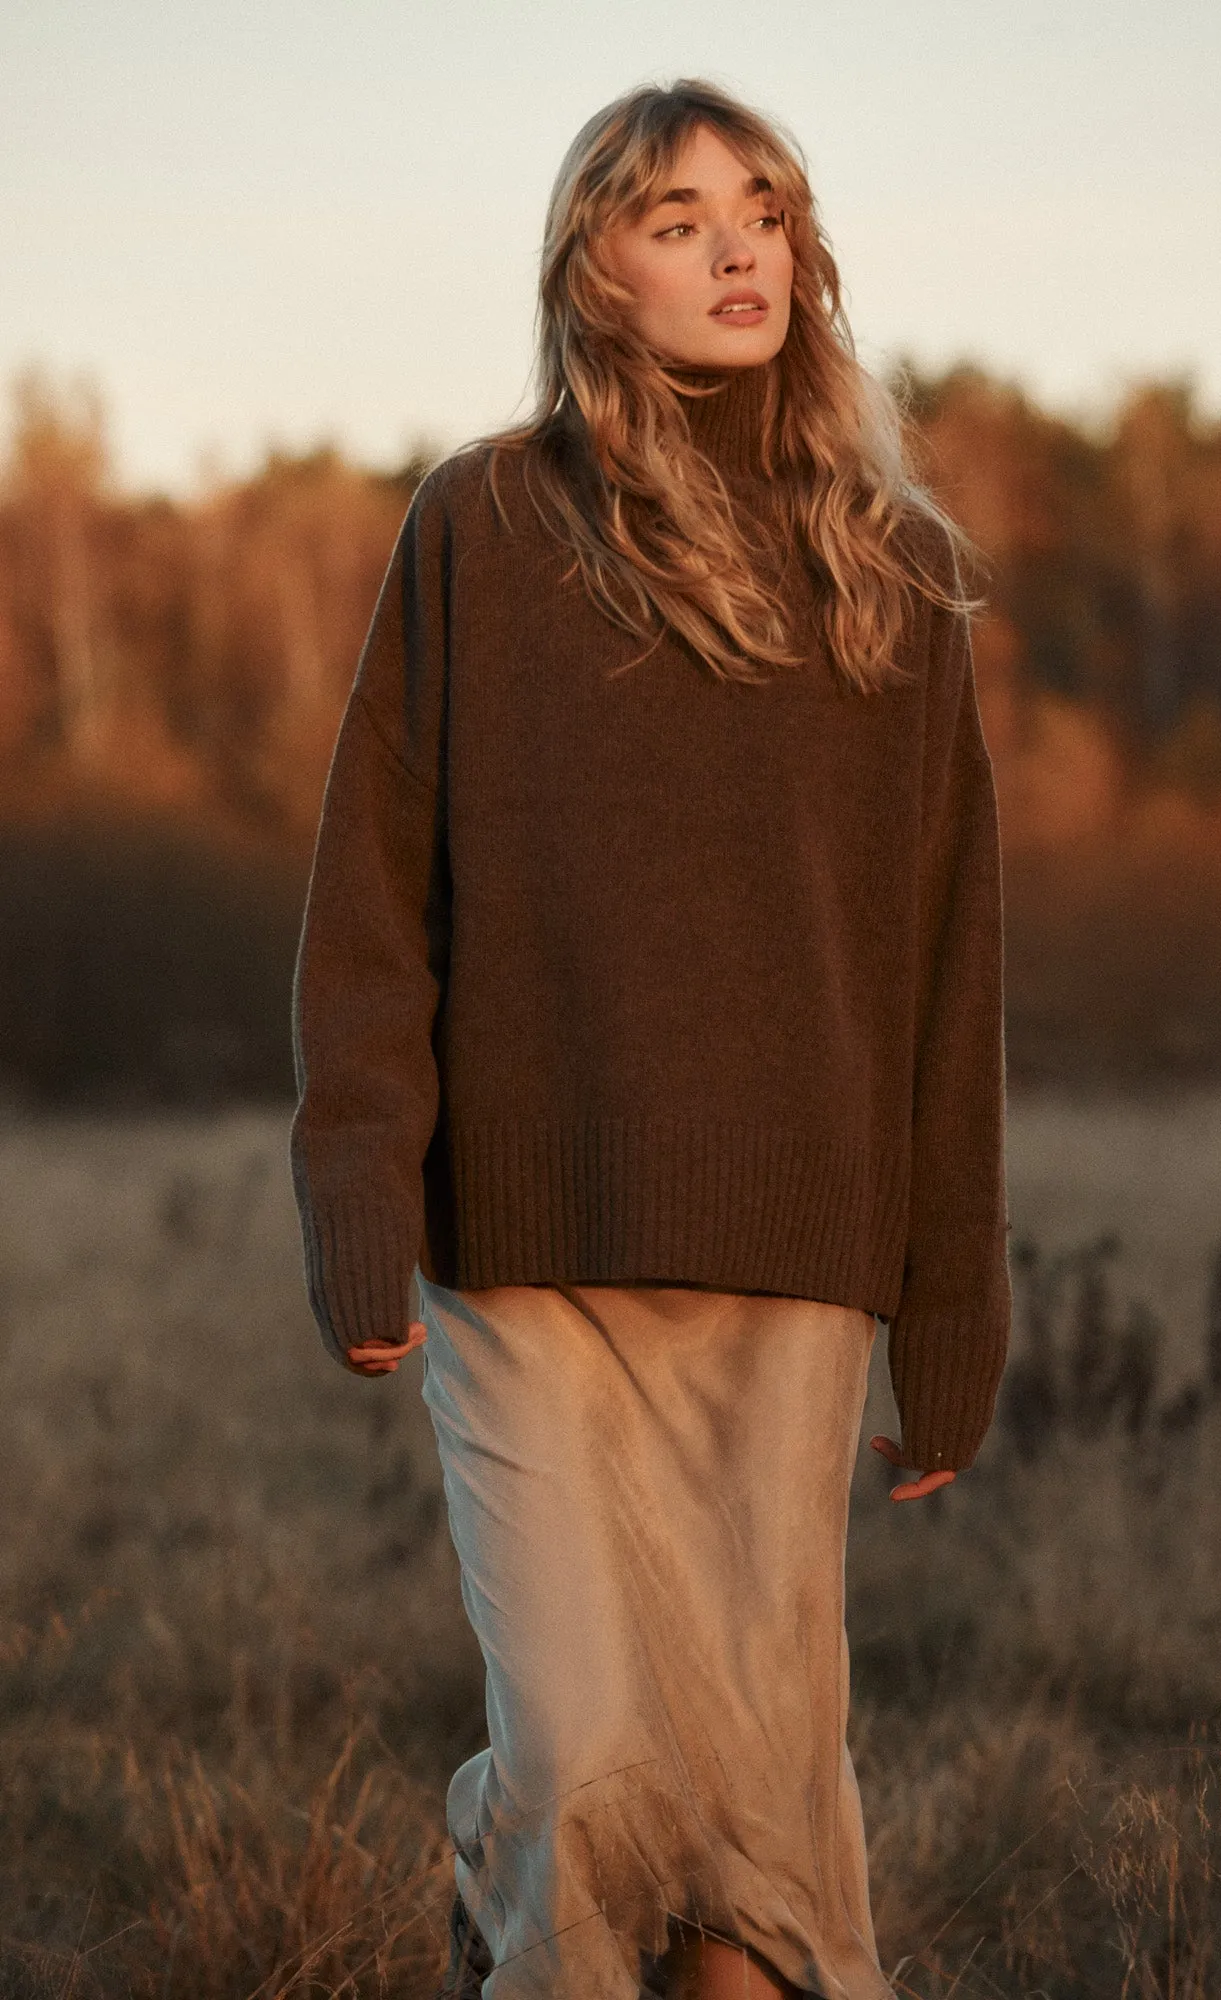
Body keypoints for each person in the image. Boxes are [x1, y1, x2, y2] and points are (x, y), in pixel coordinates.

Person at [289, 77, 1011, 2000]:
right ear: (590, 270)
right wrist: (358, 1183)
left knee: (760, 1848)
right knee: (593, 1765)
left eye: (761, 207)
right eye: (677, 215)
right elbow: (376, 894)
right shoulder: (484, 524)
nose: (737, 246)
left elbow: (951, 974)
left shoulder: (895, 571)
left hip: (794, 1275)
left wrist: (953, 1306)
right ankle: (517, 1891)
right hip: (528, 1262)